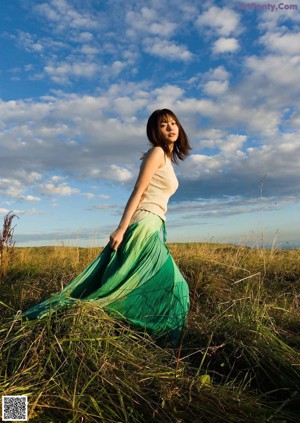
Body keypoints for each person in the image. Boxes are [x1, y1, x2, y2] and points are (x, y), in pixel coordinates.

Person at [23, 109, 191, 345]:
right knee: (174, 285)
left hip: (154, 223)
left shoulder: (167, 159)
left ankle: (132, 330)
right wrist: (121, 228)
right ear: (155, 131)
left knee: (134, 280)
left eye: (174, 123)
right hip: (143, 224)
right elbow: (138, 191)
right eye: (164, 125)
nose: (171, 128)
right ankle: (89, 315)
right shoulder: (156, 153)